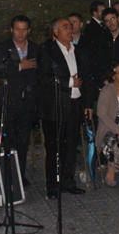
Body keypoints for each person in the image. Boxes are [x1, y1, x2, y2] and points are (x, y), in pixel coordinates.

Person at [37, 18, 94, 198]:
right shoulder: (47, 51)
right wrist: (70, 82)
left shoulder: (79, 51)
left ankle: (68, 182)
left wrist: (88, 104)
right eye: (65, 27)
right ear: (55, 32)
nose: (70, 30)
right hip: (55, 108)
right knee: (54, 148)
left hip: (75, 105)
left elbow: (87, 79)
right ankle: (52, 186)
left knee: (70, 147)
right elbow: (43, 79)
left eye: (70, 26)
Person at [0, 15, 39, 187]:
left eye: (24, 29)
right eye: (17, 29)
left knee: (23, 141)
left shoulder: (35, 48)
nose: (20, 33)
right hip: (9, 102)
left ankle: (20, 176)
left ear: (29, 30)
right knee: (8, 141)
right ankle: (7, 175)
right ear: (11, 30)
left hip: (28, 103)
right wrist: (20, 66)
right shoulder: (2, 48)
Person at [83, 1, 108, 89]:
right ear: (95, 13)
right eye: (101, 10)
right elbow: (94, 52)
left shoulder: (104, 25)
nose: (104, 13)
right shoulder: (91, 28)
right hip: (98, 67)